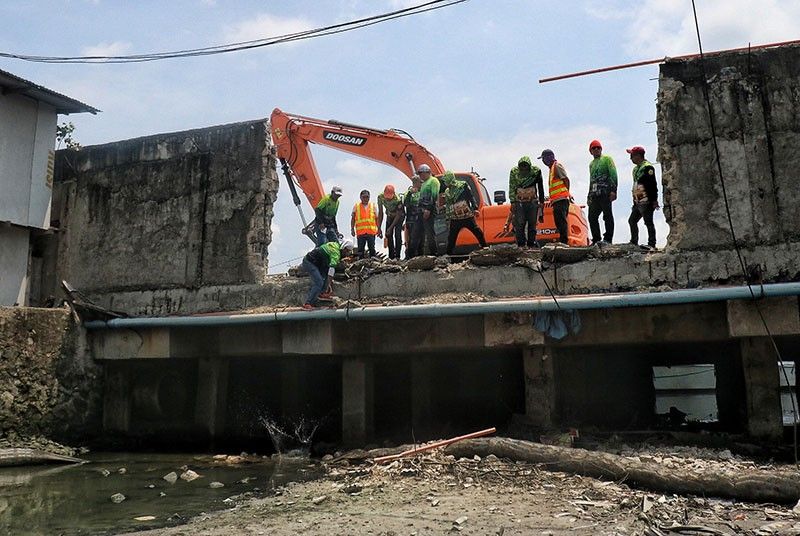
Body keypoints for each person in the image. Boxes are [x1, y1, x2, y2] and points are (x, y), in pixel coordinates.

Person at [441, 170, 486, 254]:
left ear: (450, 178)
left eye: (446, 180)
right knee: (451, 237)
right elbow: (448, 204)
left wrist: (475, 208)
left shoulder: (462, 185)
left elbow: (470, 197)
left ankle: (485, 247)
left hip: (466, 214)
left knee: (477, 231)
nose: (445, 182)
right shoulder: (447, 191)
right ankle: (449, 255)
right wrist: (447, 217)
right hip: (455, 217)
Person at [504, 156, 545, 247]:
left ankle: (531, 244)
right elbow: (512, 187)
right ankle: (521, 245)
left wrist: (541, 201)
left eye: (525, 167)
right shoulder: (514, 172)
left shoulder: (536, 172)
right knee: (520, 224)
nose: (523, 169)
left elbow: (540, 186)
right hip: (520, 202)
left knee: (532, 224)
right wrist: (513, 202)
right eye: (521, 167)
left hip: (532, 201)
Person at [301, 239, 353, 310]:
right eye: (347, 251)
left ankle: (322, 293)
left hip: (317, 262)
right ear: (344, 248)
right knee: (319, 282)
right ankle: (308, 303)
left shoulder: (336, 246)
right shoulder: (336, 253)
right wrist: (329, 284)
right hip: (309, 262)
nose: (347, 254)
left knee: (325, 274)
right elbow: (331, 269)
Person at [626, 146, 659, 249]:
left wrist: (654, 200)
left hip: (646, 199)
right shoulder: (636, 169)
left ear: (638, 156)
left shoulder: (647, 167)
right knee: (632, 220)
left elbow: (652, 185)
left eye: (632, 156)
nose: (631, 158)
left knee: (648, 221)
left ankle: (652, 244)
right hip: (638, 200)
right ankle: (634, 241)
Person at [587, 140, 618, 245]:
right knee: (592, 217)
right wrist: (589, 196)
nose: (596, 149)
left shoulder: (607, 159)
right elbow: (591, 180)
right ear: (590, 151)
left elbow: (613, 174)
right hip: (595, 194)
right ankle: (596, 239)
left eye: (598, 147)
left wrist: (614, 190)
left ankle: (608, 239)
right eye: (594, 148)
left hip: (605, 192)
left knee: (607, 215)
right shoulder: (591, 164)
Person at [538, 149, 571, 245]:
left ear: (548, 158)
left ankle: (564, 242)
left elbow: (566, 180)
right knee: (558, 221)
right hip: (556, 200)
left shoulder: (556, 166)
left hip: (561, 199)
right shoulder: (551, 169)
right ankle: (562, 240)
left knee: (561, 221)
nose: (543, 161)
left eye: (543, 158)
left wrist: (567, 193)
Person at [409, 164, 440, 256]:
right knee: (415, 233)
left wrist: (428, 209)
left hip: (428, 211)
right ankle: (410, 255)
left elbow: (434, 196)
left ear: (427, 172)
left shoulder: (433, 181)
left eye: (421, 173)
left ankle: (434, 254)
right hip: (420, 211)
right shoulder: (424, 183)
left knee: (430, 233)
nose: (420, 175)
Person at [377, 184, 405, 259]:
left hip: (399, 216)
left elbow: (398, 215)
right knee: (388, 235)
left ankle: (397, 256)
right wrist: (379, 228)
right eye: (387, 199)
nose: (388, 200)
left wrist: (391, 227)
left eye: (390, 199)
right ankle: (391, 256)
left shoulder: (398, 199)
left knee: (397, 234)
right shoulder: (380, 197)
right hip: (389, 215)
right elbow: (380, 213)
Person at [351, 189, 379, 258]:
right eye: (364, 197)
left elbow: (377, 219)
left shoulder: (373, 206)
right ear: (360, 197)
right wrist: (352, 229)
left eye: (367, 197)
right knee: (360, 250)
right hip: (361, 233)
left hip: (371, 232)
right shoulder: (356, 206)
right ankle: (360, 264)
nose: (366, 199)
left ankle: (373, 263)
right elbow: (353, 219)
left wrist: (379, 229)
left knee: (372, 249)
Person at [403, 175, 422, 259]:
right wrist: (410, 193)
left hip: (421, 218)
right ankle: (410, 256)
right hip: (411, 219)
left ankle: (420, 255)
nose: (421, 184)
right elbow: (405, 203)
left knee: (421, 238)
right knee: (412, 239)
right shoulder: (409, 192)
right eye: (419, 182)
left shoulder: (422, 191)